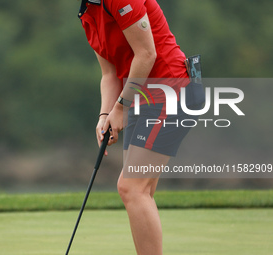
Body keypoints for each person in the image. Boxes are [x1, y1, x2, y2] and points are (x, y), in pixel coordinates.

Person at [78, 0, 204, 254]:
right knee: (141, 190)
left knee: (131, 187)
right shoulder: (87, 12)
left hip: (170, 89)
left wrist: (121, 108)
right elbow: (109, 74)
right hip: (139, 94)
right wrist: (106, 114)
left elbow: (147, 53)